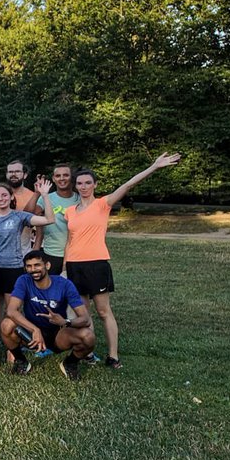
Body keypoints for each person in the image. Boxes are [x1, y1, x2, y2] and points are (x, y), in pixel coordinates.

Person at [65, 153, 181, 369]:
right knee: (83, 312)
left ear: (95, 184)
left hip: (97, 264)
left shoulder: (103, 204)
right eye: (79, 183)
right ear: (75, 186)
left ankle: (113, 356)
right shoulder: (70, 211)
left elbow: (127, 185)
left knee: (103, 311)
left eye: (88, 183)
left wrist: (154, 166)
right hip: (74, 265)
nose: (83, 186)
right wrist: (65, 264)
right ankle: (87, 353)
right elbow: (70, 240)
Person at [0, 176, 56, 359]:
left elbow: (50, 219)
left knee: (12, 312)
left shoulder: (20, 216)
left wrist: (45, 195)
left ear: (11, 198)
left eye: (4, 195)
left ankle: (13, 348)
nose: (1, 198)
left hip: (13, 270)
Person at [1, 250, 97, 380]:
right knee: (7, 324)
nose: (33, 269)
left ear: (47, 265)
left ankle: (70, 364)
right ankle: (21, 361)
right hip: (31, 334)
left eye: (37, 265)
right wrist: (35, 329)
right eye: (29, 266)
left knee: (88, 337)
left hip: (58, 334)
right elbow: (11, 311)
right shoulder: (23, 281)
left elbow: (85, 319)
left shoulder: (64, 284)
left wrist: (65, 322)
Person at [35, 163, 80, 273]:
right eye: (58, 176)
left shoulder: (80, 199)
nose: (62, 178)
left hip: (76, 254)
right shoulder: (45, 198)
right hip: (51, 253)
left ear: (71, 178)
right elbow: (30, 214)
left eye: (65, 175)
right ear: (53, 179)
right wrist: (37, 193)